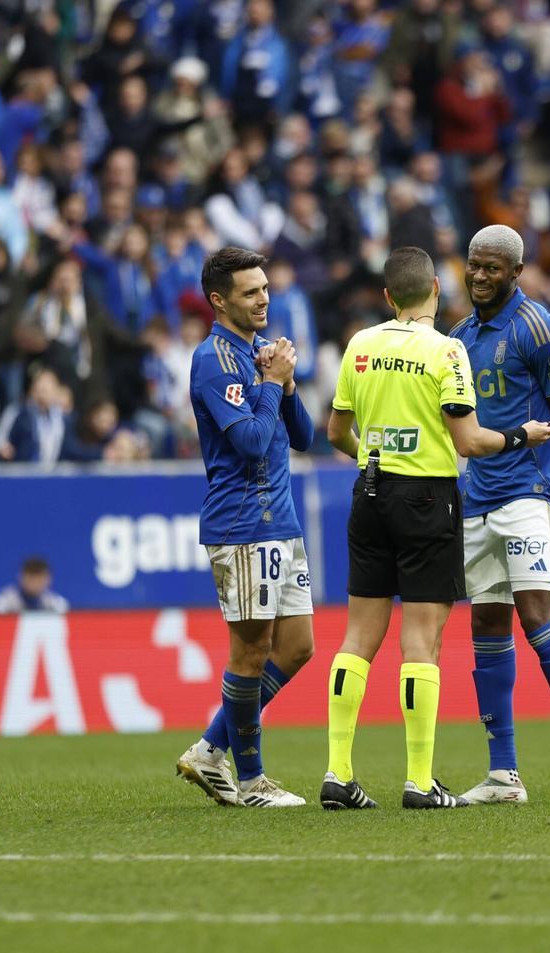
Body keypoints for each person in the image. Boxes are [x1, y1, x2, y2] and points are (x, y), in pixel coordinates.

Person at [321, 246, 550, 810]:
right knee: (421, 642)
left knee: (357, 639)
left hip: (370, 491)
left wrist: (372, 459)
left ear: (386, 296)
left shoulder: (360, 344)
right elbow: (471, 442)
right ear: (435, 289)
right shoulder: (447, 351)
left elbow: (334, 432)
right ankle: (418, 781)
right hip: (427, 498)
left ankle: (337, 775)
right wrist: (523, 435)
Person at [450, 224, 550, 805]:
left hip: (527, 494)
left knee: (536, 613)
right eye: (474, 265)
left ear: (516, 272)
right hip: (479, 496)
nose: (480, 276)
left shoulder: (540, 329)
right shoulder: (460, 335)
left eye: (493, 268)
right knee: (485, 624)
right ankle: (503, 775)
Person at [175, 247, 315, 808]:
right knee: (251, 652)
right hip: (243, 524)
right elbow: (251, 442)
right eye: (250, 291)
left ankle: (211, 747)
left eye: (265, 288)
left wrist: (285, 382)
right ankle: (253, 780)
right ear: (219, 300)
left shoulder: (260, 354)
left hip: (282, 520)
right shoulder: (213, 360)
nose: (263, 298)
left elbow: (302, 435)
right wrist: (269, 381)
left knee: (299, 647)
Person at [0, 556, 70, 613]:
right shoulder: (5, 600)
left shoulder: (54, 603)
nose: (35, 582)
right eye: (31, 577)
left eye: (39, 578)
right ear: (21, 577)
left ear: (48, 579)